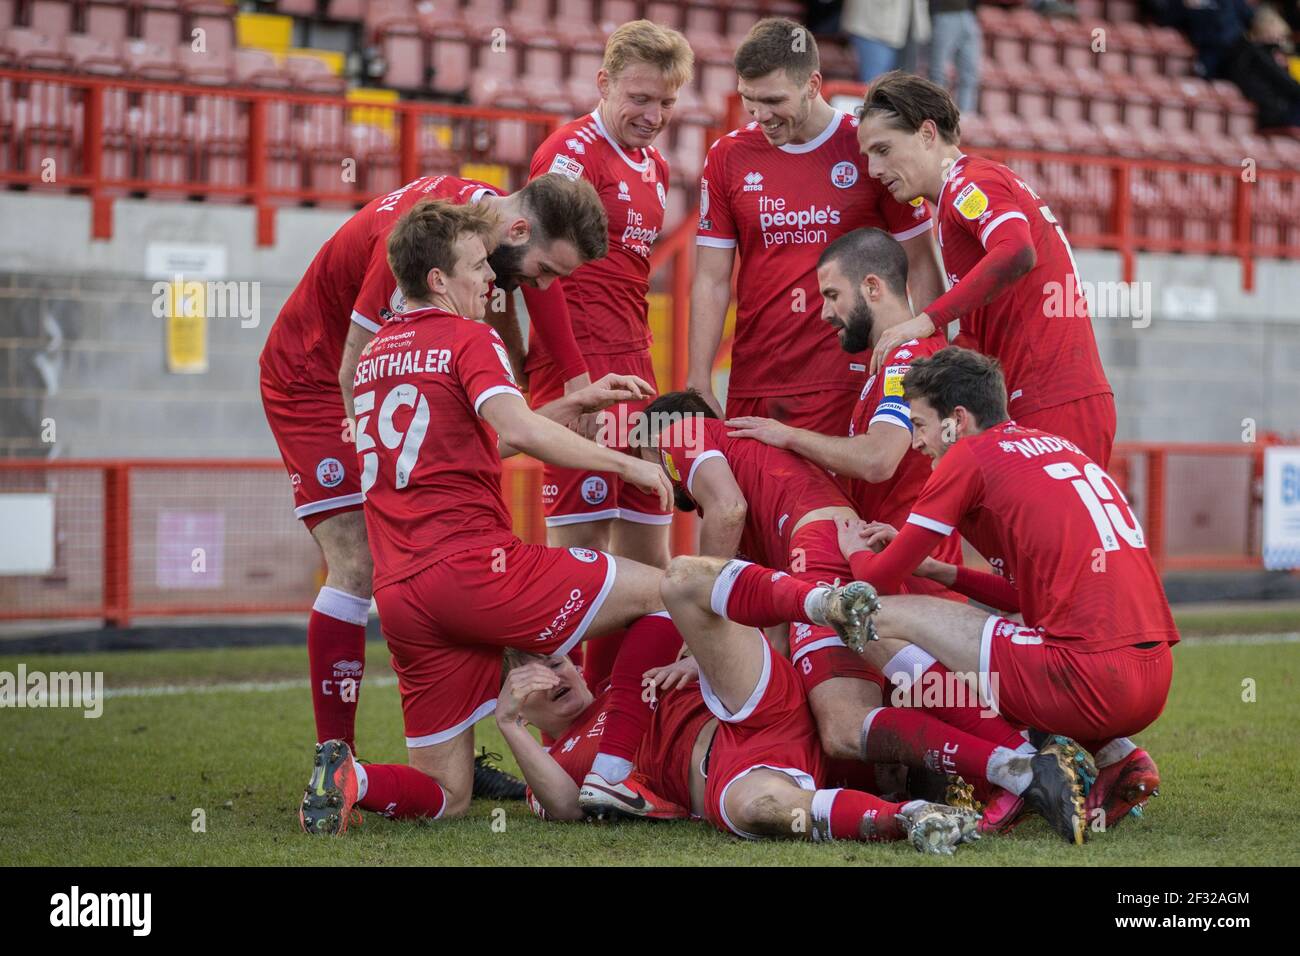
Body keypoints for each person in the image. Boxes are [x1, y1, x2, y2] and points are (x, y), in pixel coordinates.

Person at [298, 199, 679, 834]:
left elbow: (480, 442)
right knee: (671, 591)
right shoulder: (468, 337)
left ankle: (350, 776)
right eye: (477, 267)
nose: (492, 281)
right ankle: (612, 773)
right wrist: (631, 466)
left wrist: (573, 401)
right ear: (438, 280)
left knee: (446, 795)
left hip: (403, 597)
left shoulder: (374, 358)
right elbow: (513, 427)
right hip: (476, 571)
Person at [720, 347, 1176, 838]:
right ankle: (1118, 754)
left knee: (866, 615)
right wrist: (942, 571)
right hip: (1151, 679)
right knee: (994, 642)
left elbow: (869, 585)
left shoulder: (969, 457)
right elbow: (1025, 600)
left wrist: (852, 549)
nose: (916, 443)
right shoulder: (1052, 446)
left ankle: (1019, 770)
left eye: (919, 424)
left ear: (957, 420)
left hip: (1086, 677)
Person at [260, 170, 608, 802]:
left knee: (455, 558)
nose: (541, 287)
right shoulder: (422, 236)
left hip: (381, 379)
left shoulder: (479, 237)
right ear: (516, 231)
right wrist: (384, 471)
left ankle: (451, 754)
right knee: (359, 563)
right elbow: (351, 364)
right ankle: (335, 757)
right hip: (315, 381)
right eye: (544, 273)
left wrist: (534, 394)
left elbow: (500, 332)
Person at [497, 612, 988, 853]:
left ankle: (997, 743)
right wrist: (507, 723)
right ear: (520, 706)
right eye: (533, 684)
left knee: (691, 588)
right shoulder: (555, 764)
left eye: (558, 664)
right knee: (758, 810)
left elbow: (667, 616)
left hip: (760, 705)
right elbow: (563, 806)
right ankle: (911, 816)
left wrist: (695, 664)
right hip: (740, 771)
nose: (556, 679)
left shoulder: (624, 682)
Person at [520, 20, 694, 687]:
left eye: (666, 103)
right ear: (605, 84)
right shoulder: (569, 154)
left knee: (652, 569)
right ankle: (547, 715)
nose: (652, 115)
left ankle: (617, 731)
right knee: (580, 567)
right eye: (640, 98)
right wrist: (576, 381)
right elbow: (536, 276)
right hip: (582, 374)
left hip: (636, 376)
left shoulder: (658, 167)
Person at [689, 18, 943, 442]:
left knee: (834, 508)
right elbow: (711, 279)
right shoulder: (728, 156)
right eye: (750, 100)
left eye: (773, 100)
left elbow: (920, 262)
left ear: (813, 84)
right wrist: (698, 378)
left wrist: (929, 359)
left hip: (848, 378)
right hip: (755, 380)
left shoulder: (866, 149)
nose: (761, 115)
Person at [856, 72, 1116, 467]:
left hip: (1052, 400)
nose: (874, 169)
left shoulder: (967, 182)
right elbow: (977, 333)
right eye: (868, 156)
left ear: (927, 134)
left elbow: (1016, 251)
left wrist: (925, 321)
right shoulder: (954, 203)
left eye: (883, 149)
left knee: (1052, 530)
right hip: (1038, 398)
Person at [724, 227, 963, 599]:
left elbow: (877, 459)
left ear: (872, 287)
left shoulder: (908, 359)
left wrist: (788, 435)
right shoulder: (895, 359)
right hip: (899, 578)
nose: (824, 313)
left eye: (833, 296)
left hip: (912, 590)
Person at [928, 0, 981, 114]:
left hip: (968, 14)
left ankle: (966, 114)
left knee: (970, 71)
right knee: (938, 71)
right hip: (943, 13)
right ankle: (937, 113)